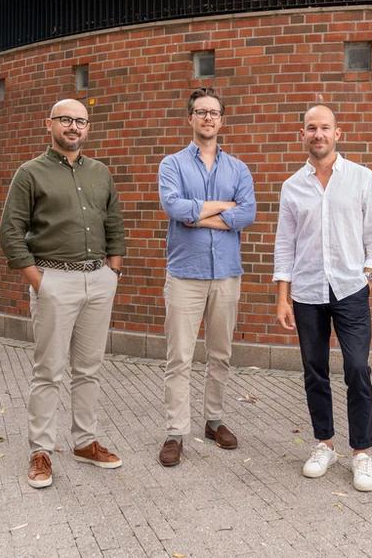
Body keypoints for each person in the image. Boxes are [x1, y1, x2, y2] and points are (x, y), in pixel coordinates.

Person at [0, 98, 126, 489]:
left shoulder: (100, 172)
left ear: (88, 128)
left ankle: (85, 442)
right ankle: (41, 450)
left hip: (98, 281)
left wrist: (113, 272)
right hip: (54, 280)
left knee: (89, 369)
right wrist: (40, 282)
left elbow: (115, 223)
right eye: (66, 120)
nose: (74, 127)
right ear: (49, 124)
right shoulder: (29, 173)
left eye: (81, 121)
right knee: (49, 371)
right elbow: (9, 232)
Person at [273, 104, 372, 492]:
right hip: (306, 293)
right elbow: (284, 245)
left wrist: (367, 274)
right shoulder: (292, 186)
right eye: (311, 128)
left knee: (357, 368)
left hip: (350, 290)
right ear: (301, 135)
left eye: (325, 128)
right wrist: (282, 297)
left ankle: (361, 453)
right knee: (314, 370)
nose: (318, 134)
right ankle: (324, 444)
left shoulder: (361, 178)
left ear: (338, 133)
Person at [157, 87, 256, 466]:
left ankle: (214, 421)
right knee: (178, 357)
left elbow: (247, 213)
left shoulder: (238, 169)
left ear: (222, 119)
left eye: (214, 112)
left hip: (227, 275)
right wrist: (222, 211)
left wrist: (198, 214)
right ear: (191, 118)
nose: (208, 118)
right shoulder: (172, 165)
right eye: (201, 112)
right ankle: (175, 432)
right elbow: (174, 206)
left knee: (220, 354)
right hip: (185, 274)